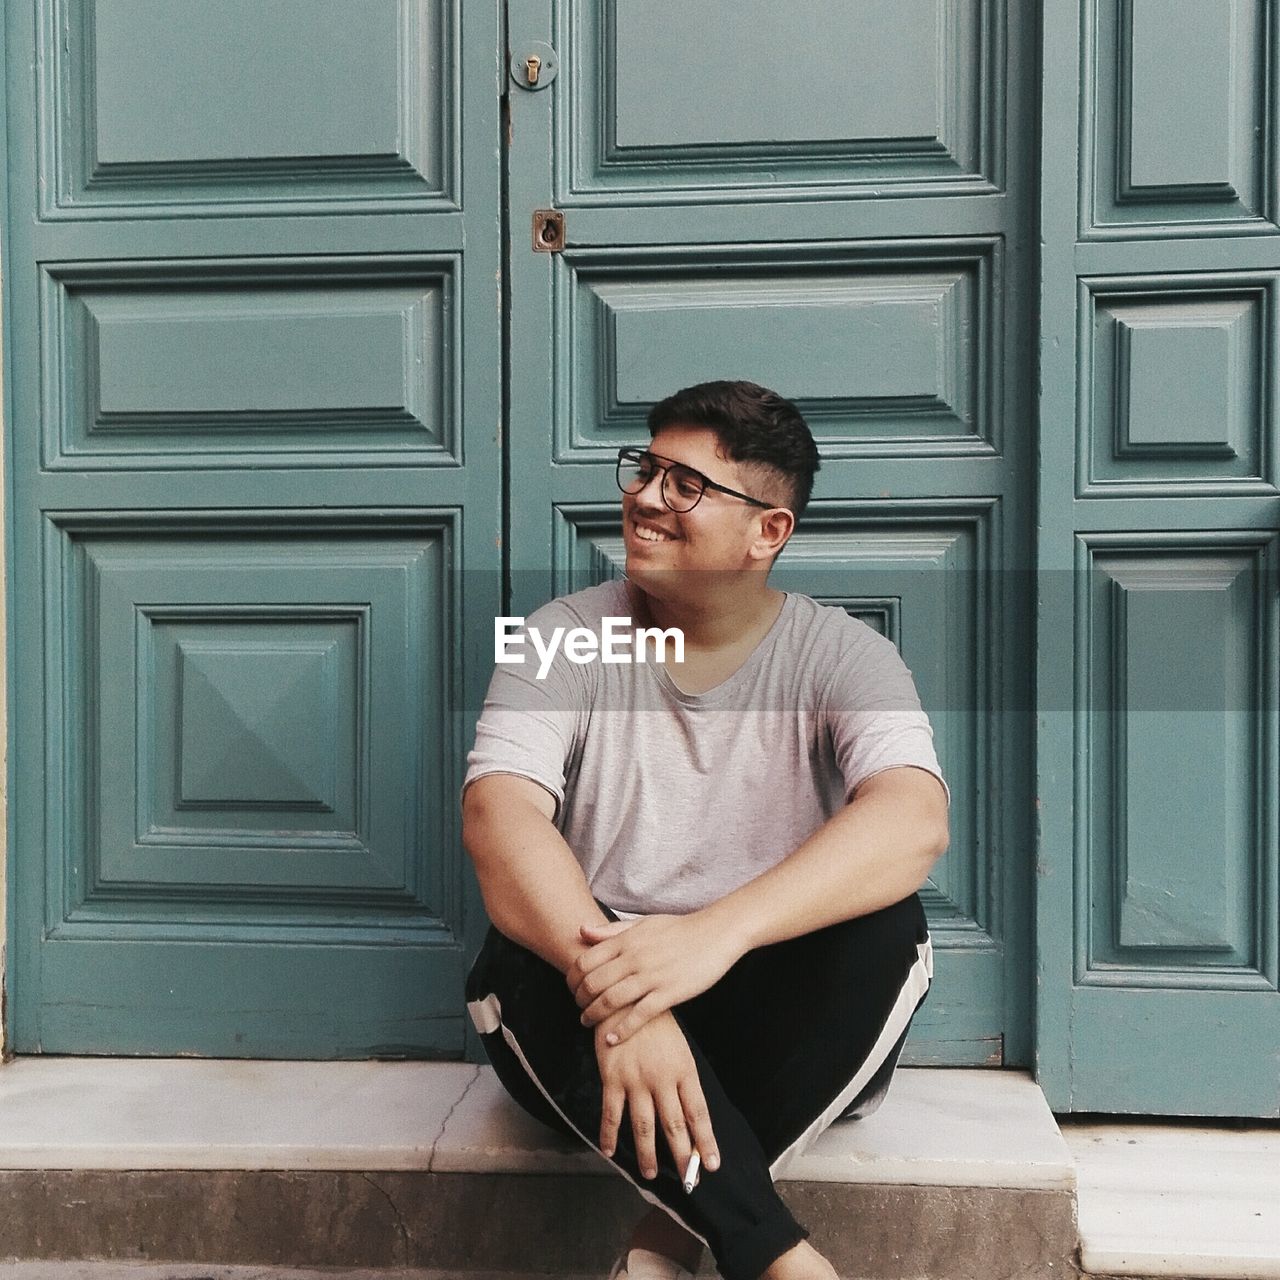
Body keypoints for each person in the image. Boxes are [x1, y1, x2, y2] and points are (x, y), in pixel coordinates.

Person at [461, 381, 950, 1280]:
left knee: (893, 930)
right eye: (645, 470)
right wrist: (624, 993)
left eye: (685, 484)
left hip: (763, 993)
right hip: (595, 986)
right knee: (511, 958)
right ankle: (778, 1259)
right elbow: (501, 816)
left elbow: (912, 818)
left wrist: (709, 939)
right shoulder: (561, 638)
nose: (645, 496)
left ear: (768, 531)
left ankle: (673, 1234)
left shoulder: (843, 653)